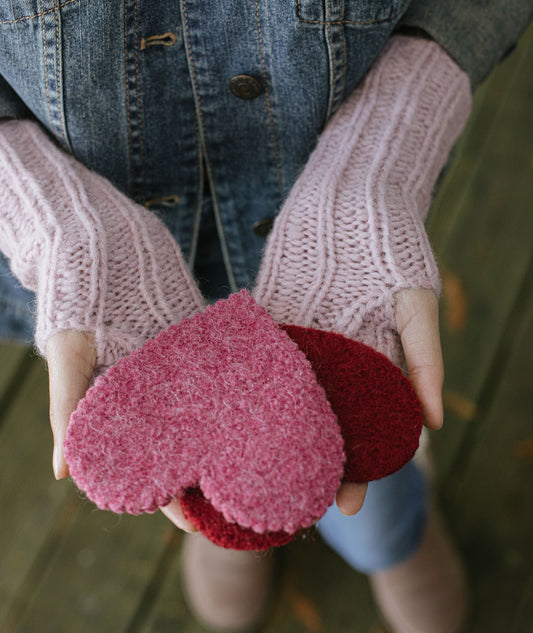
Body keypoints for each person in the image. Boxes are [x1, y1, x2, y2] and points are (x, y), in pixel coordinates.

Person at [0, 2, 531, 632]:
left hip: (339, 250)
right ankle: (225, 519)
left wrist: (383, 150)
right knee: (206, 468)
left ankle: (391, 539)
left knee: (368, 438)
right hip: (105, 266)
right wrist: (57, 219)